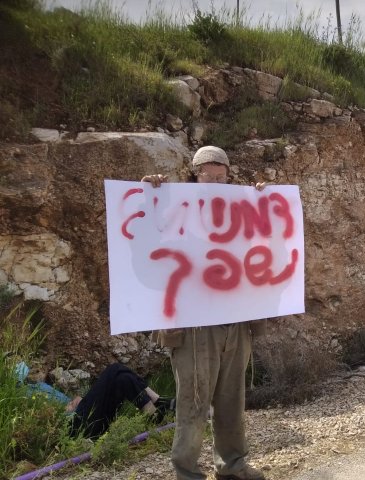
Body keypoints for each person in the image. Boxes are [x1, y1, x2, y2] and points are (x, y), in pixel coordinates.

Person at [143, 146, 267, 480]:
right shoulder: (177, 209)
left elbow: (264, 242)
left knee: (231, 401)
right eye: (206, 175)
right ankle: (187, 473)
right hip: (196, 327)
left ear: (228, 176)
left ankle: (233, 465)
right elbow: (149, 235)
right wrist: (149, 195)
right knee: (193, 404)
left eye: (220, 175)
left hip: (235, 323)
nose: (214, 181)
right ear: (194, 176)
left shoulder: (239, 211)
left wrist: (260, 201)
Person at [15, 361, 174, 439]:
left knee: (122, 379)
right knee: (115, 368)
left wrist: (72, 401)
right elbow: (43, 420)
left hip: (83, 412)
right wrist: (67, 410)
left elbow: (64, 402)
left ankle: (154, 415)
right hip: (77, 424)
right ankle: (157, 402)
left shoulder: (37, 386)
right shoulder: (20, 396)